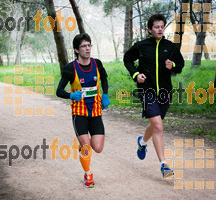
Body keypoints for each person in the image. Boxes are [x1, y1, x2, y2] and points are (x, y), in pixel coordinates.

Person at [123, 14, 184, 178]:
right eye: (156, 27)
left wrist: (173, 65)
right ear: (150, 30)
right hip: (147, 91)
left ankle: (142, 142)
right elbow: (127, 59)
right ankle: (163, 165)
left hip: (165, 93)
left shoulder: (169, 47)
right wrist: (136, 74)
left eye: (162, 26)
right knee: (158, 126)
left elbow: (181, 64)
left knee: (156, 125)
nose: (160, 29)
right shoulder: (141, 46)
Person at [56, 33, 110, 188]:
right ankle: (88, 174)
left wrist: (105, 94)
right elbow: (59, 91)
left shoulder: (97, 63)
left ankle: (82, 146)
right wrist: (71, 95)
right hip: (79, 113)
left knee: (98, 148)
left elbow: (104, 78)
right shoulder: (70, 68)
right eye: (84, 46)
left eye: (89, 45)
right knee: (87, 147)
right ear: (76, 50)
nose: (87, 48)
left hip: (95, 112)